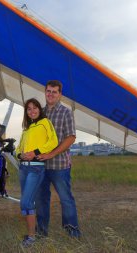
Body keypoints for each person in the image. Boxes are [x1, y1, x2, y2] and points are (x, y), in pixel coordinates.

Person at [35, 80, 81, 238]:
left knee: (66, 199)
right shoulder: (39, 113)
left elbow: (71, 138)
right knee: (41, 200)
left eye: (54, 92)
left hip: (60, 165)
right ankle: (41, 233)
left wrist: (51, 154)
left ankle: (72, 233)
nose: (51, 94)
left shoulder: (66, 112)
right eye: (48, 91)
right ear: (45, 92)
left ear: (60, 94)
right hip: (40, 165)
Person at [16, 98, 58, 247]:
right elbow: (18, 148)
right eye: (28, 109)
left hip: (36, 167)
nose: (32, 111)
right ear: (26, 112)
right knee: (27, 203)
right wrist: (20, 155)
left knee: (26, 202)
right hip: (23, 168)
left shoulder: (45, 123)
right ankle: (30, 235)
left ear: (39, 109)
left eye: (34, 108)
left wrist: (35, 152)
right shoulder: (26, 129)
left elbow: (53, 141)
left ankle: (32, 238)